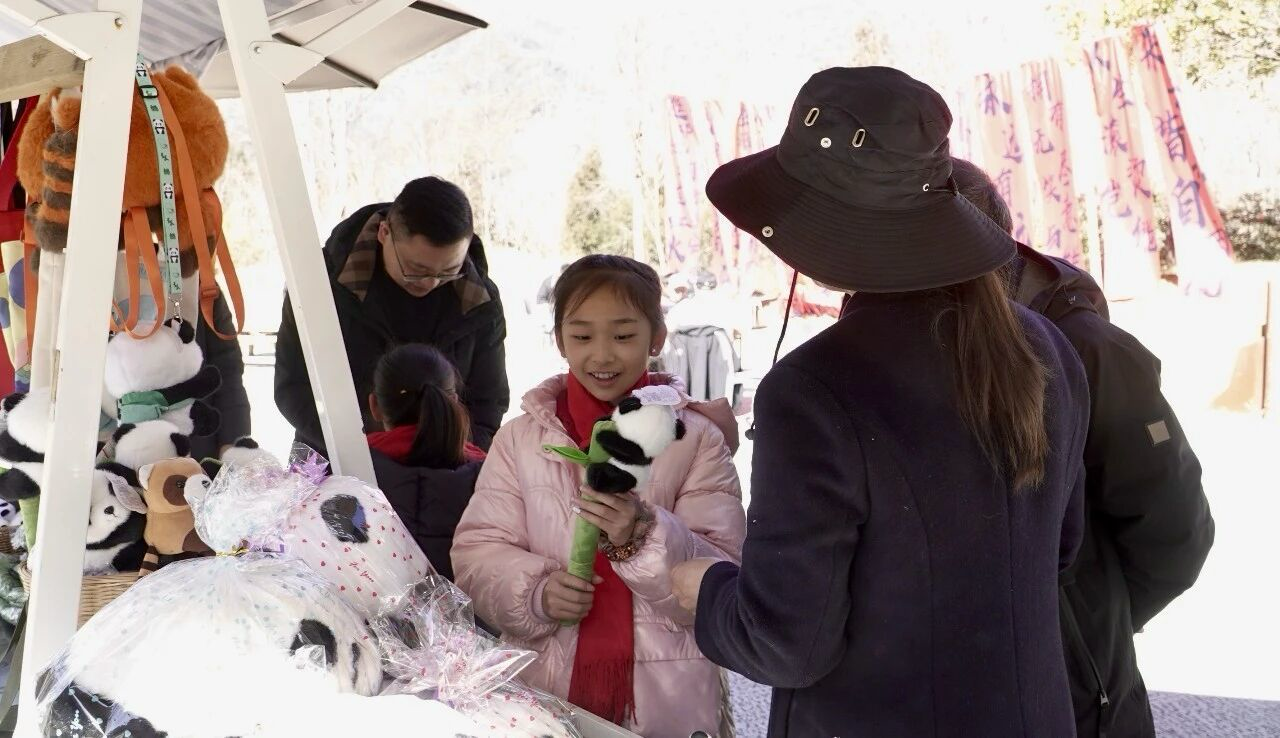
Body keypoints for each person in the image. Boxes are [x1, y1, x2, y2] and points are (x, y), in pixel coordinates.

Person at [670, 67, 1090, 737]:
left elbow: (786, 642)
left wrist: (706, 591)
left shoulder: (814, 390)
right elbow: (1060, 552)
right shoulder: (1046, 346)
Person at [948, 157, 1214, 738]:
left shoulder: (1088, 349)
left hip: (1078, 688)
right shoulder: (893, 341)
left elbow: (1174, 533)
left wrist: (1089, 618)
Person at [451, 255, 745, 736]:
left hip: (669, 692)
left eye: (623, 336)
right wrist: (537, 594)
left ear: (656, 338)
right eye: (583, 336)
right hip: (544, 689)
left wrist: (641, 535)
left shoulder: (695, 439)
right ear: (559, 340)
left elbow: (723, 577)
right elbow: (476, 552)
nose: (602, 356)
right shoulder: (520, 440)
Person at [274, 176, 508, 452]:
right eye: (416, 269)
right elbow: (293, 387)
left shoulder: (479, 301)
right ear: (384, 233)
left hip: (446, 467)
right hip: (333, 460)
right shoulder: (322, 284)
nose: (430, 283)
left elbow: (488, 403)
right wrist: (366, 453)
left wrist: (449, 455)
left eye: (448, 272)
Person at [366, 343, 486, 582]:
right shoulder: (493, 476)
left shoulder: (347, 472)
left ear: (374, 406)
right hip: (476, 606)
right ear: (453, 400)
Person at [190, 288, 251, 462]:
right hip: (126, 451)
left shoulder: (201, 285)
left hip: (200, 455)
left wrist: (233, 444)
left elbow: (228, 372)